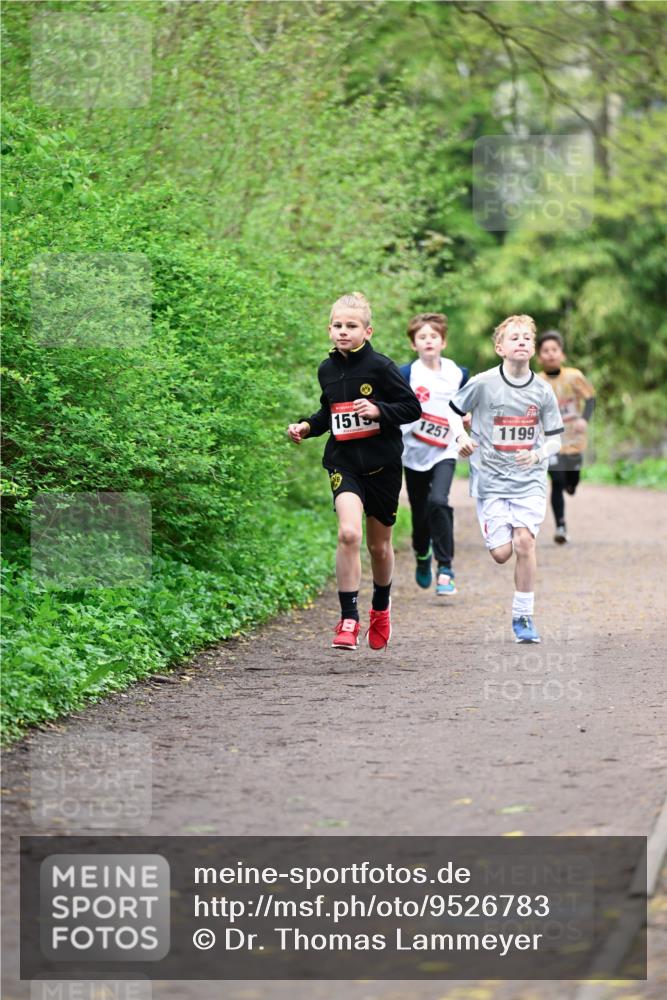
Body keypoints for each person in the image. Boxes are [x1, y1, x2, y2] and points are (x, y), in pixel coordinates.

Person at [287, 292, 421, 650]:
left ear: (368, 330)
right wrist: (306, 427)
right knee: (348, 533)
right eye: (337, 325)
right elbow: (327, 413)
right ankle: (348, 618)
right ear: (329, 329)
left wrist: (379, 410)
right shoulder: (326, 370)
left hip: (383, 465)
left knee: (379, 546)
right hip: (344, 463)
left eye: (351, 326)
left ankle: (380, 608)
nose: (343, 331)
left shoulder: (381, 367)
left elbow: (411, 407)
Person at [447, 315, 564, 644]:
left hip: (529, 481)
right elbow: (452, 411)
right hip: (490, 481)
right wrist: (460, 438)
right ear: (500, 348)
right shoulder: (484, 383)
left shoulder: (542, 390)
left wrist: (538, 454)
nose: (523, 342)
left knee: (525, 542)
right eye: (515, 338)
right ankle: (499, 541)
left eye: (528, 337)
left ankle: (523, 616)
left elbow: (555, 438)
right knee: (501, 553)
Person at [399, 313, 469, 595]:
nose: (428, 341)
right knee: (419, 512)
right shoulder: (406, 374)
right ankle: (422, 554)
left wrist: (468, 419)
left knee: (438, 501)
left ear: (443, 342)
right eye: (422, 337)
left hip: (445, 449)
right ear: (414, 344)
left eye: (433, 337)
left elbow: (469, 404)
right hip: (413, 452)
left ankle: (446, 567)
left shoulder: (458, 373)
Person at [536, 330, 596, 544]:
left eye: (554, 350)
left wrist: (584, 420)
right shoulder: (536, 382)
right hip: (550, 440)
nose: (550, 354)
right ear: (539, 356)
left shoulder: (574, 376)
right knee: (557, 481)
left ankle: (573, 482)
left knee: (571, 479)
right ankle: (560, 526)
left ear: (562, 354)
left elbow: (590, 399)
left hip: (574, 438)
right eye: (546, 351)